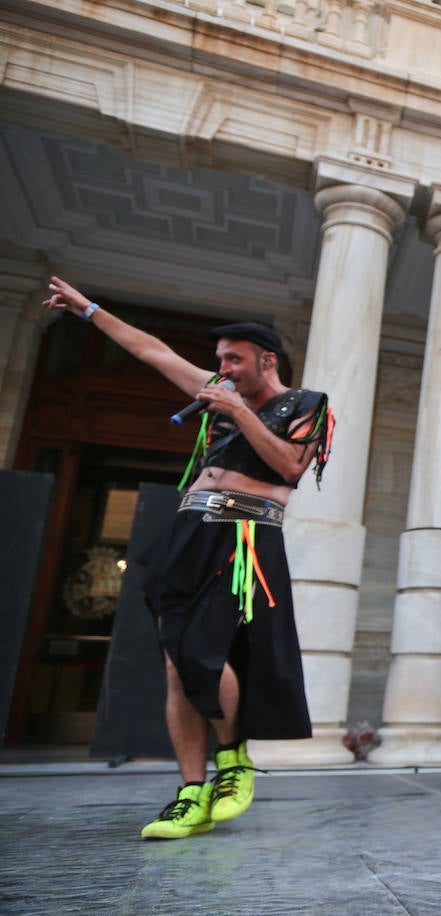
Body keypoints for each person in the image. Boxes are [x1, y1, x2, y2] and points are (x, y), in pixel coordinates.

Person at [43, 276, 333, 840]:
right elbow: (151, 349)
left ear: (266, 360)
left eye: (233, 360)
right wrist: (89, 310)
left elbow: (291, 468)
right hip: (189, 530)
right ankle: (191, 792)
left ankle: (234, 760)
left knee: (203, 653)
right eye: (219, 360)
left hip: (244, 534)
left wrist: (237, 409)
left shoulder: (307, 404)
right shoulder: (218, 392)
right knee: (177, 665)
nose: (222, 368)